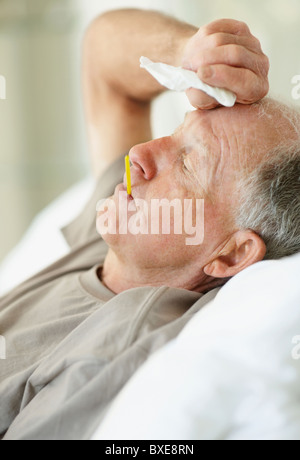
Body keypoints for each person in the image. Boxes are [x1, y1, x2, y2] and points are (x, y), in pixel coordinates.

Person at [0, 9, 299, 440]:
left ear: (231, 253)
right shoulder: (124, 242)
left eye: (187, 164)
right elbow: (104, 61)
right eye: (177, 132)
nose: (138, 155)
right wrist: (189, 54)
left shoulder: (110, 354)